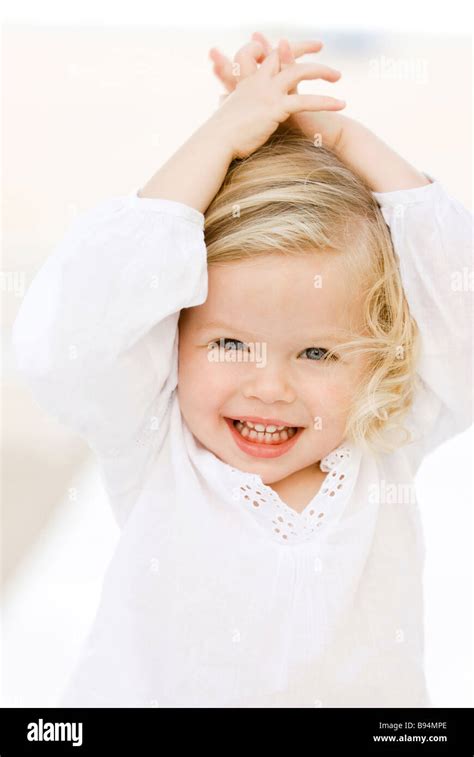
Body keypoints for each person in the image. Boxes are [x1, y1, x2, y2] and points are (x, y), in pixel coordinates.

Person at [12, 33, 472, 707]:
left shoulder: (384, 434)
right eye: (229, 343)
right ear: (170, 332)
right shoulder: (155, 435)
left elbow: (458, 291)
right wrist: (218, 139)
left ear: (381, 355)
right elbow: (74, 327)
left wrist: (340, 138)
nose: (270, 387)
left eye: (316, 352)